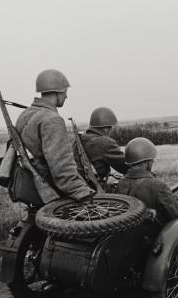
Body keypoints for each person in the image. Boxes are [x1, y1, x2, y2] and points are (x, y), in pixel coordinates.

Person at [15, 69, 94, 203]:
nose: (66, 96)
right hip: (50, 191)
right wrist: (81, 192)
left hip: (29, 185)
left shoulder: (25, 115)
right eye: (65, 92)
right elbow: (61, 166)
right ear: (58, 92)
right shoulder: (52, 119)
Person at [116, 137, 178, 227]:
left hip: (128, 234)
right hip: (152, 235)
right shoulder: (158, 186)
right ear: (147, 162)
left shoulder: (121, 183)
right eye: (152, 160)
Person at [74, 107, 128, 190]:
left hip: (82, 187)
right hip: (97, 189)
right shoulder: (104, 142)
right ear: (107, 128)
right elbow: (124, 166)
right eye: (111, 128)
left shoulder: (80, 139)